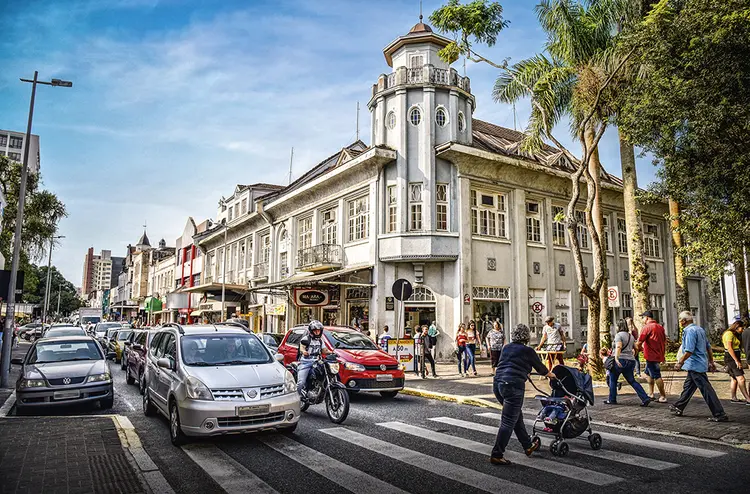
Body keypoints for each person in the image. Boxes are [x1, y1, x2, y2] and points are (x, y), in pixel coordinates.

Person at [490, 324, 556, 465]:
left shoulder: (506, 347)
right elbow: (541, 368)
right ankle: (497, 454)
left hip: (498, 384)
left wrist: (524, 370)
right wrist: (551, 375)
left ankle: (527, 445)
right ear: (526, 336)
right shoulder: (528, 350)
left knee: (515, 416)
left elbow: (507, 363)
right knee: (508, 421)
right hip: (513, 386)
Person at [670, 311, 728, 421]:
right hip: (699, 363)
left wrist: (680, 362)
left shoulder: (689, 331)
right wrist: (710, 361)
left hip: (694, 364)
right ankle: (679, 406)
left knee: (706, 390)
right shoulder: (699, 329)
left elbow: (689, 350)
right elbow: (708, 347)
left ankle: (719, 413)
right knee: (688, 387)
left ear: (683, 321)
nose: (679, 322)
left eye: (680, 320)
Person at [604, 320, 652, 406]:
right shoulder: (631, 336)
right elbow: (636, 347)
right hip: (630, 361)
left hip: (620, 360)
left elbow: (619, 346)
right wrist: (634, 355)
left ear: (618, 326)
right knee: (632, 380)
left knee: (613, 380)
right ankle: (645, 398)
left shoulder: (618, 335)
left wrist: (616, 358)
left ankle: (612, 399)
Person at [635, 310, 668, 403]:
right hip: (658, 354)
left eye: (643, 317)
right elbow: (664, 341)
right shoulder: (660, 327)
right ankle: (651, 393)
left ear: (647, 317)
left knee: (657, 375)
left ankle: (663, 396)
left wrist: (638, 349)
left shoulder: (647, 327)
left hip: (651, 356)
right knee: (648, 374)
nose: (642, 319)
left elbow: (639, 342)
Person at [297, 320, 328, 400]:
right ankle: (296, 398)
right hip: (305, 363)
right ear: (311, 331)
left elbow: (324, 350)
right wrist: (304, 352)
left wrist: (334, 353)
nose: (317, 333)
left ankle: (319, 388)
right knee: (301, 382)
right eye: (315, 331)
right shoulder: (306, 339)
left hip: (316, 362)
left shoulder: (320, 341)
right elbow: (302, 348)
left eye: (319, 331)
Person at [721, 319, 750, 404]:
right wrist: (736, 360)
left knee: (734, 379)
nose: (743, 330)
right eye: (742, 328)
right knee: (741, 378)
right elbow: (730, 348)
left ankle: (733, 397)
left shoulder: (735, 334)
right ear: (737, 327)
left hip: (734, 356)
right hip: (731, 357)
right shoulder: (729, 334)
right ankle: (748, 398)